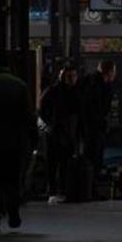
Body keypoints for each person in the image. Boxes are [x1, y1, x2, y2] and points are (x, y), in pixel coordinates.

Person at [0, 50, 34, 233]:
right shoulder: (20, 85)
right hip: (15, 142)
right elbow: (29, 117)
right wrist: (33, 141)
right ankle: (13, 212)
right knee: (12, 180)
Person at [40, 63, 81, 203]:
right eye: (69, 76)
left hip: (58, 132)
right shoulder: (74, 93)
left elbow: (42, 110)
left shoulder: (52, 91)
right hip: (61, 132)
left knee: (55, 163)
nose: (72, 79)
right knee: (59, 163)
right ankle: (59, 189)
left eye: (73, 76)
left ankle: (55, 190)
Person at [79, 60, 116, 177]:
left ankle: (90, 183)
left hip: (89, 126)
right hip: (95, 127)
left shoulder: (89, 80)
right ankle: (93, 183)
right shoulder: (99, 85)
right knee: (95, 155)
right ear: (110, 72)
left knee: (90, 155)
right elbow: (98, 107)